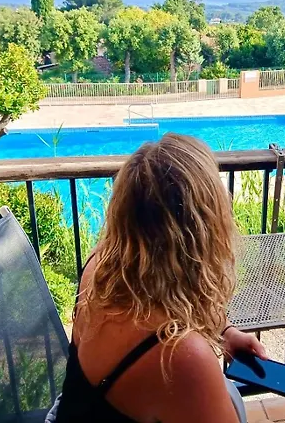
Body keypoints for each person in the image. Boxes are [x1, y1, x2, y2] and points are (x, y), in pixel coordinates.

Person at [55, 133, 266, 423]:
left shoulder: (100, 266)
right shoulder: (181, 356)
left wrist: (226, 331)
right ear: (201, 232)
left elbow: (170, 293)